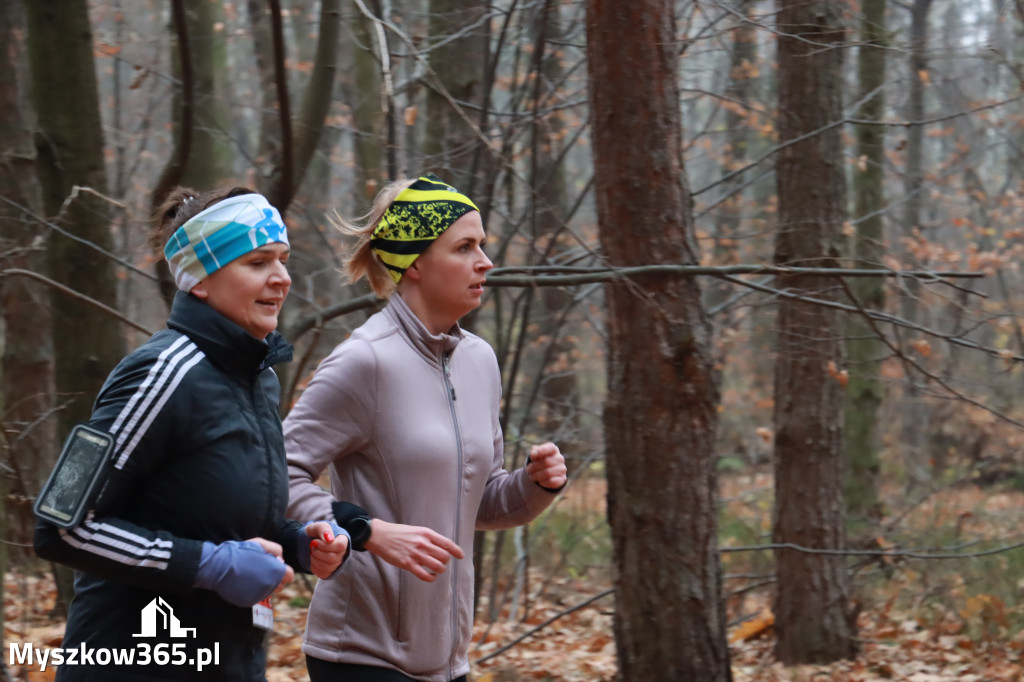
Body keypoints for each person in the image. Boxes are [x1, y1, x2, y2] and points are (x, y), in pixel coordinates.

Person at [34, 186, 350, 682]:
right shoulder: (158, 372)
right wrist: (209, 565)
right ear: (199, 281)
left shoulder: (259, 378)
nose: (282, 278)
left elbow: (220, 521)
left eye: (284, 259)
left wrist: (296, 544)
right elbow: (60, 525)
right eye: (257, 262)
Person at [284, 174, 568, 682]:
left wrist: (535, 484)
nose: (485, 261)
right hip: (361, 653)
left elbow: (480, 503)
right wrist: (365, 531)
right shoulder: (364, 362)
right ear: (414, 262)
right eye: (464, 247)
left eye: (482, 245)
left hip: (448, 659)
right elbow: (275, 474)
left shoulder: (479, 361)